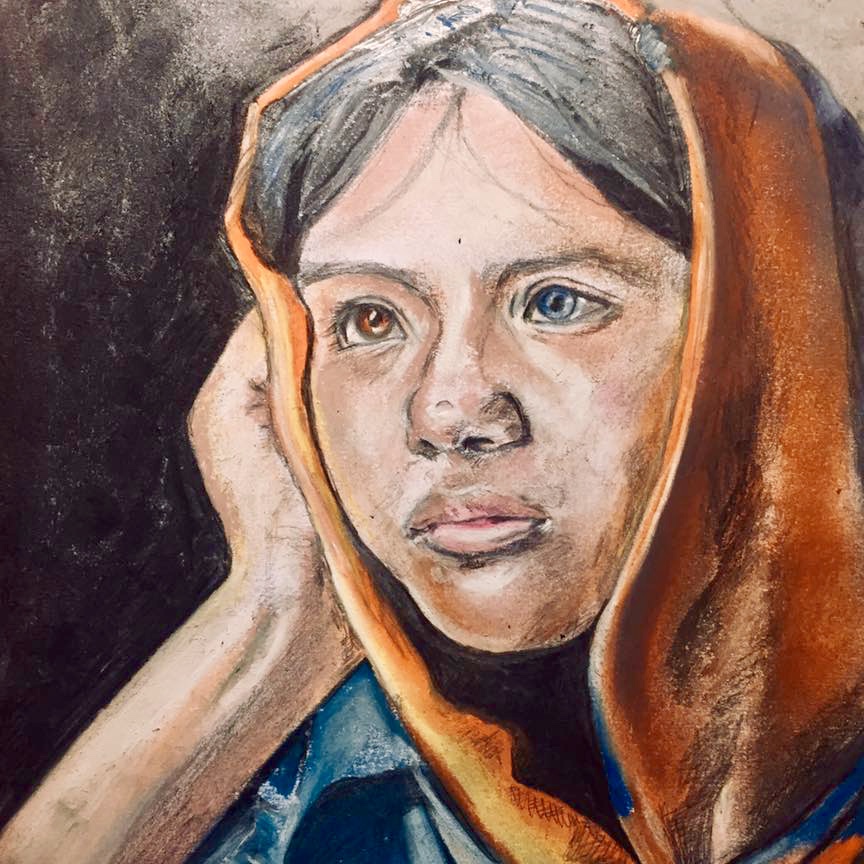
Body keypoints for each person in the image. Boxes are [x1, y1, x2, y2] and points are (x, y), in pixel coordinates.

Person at [2, 0, 864, 862]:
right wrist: (273, 618)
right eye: (370, 320)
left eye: (556, 302)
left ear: (767, 335)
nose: (448, 415)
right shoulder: (325, 813)